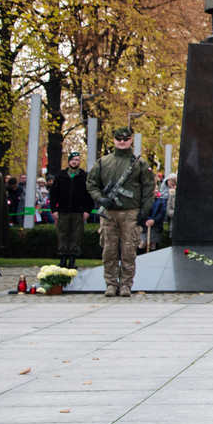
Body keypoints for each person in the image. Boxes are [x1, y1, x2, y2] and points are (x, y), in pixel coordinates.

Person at [86, 126, 154, 297]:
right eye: (119, 139)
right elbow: (91, 183)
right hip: (109, 213)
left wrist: (144, 211)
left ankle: (125, 285)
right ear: (114, 140)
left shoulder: (140, 164)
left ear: (131, 140)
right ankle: (110, 283)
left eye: (126, 139)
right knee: (108, 249)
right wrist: (100, 198)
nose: (122, 142)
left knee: (129, 250)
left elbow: (148, 188)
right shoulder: (103, 162)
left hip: (131, 212)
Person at [49, 151, 93, 268]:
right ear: (69, 161)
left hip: (78, 212)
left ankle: (72, 260)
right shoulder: (60, 176)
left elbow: (90, 195)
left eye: (77, 160)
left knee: (76, 236)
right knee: (62, 235)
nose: (75, 162)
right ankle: (63, 259)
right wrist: (54, 210)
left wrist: (87, 210)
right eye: (73, 160)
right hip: (63, 211)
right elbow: (53, 194)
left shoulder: (84, 176)